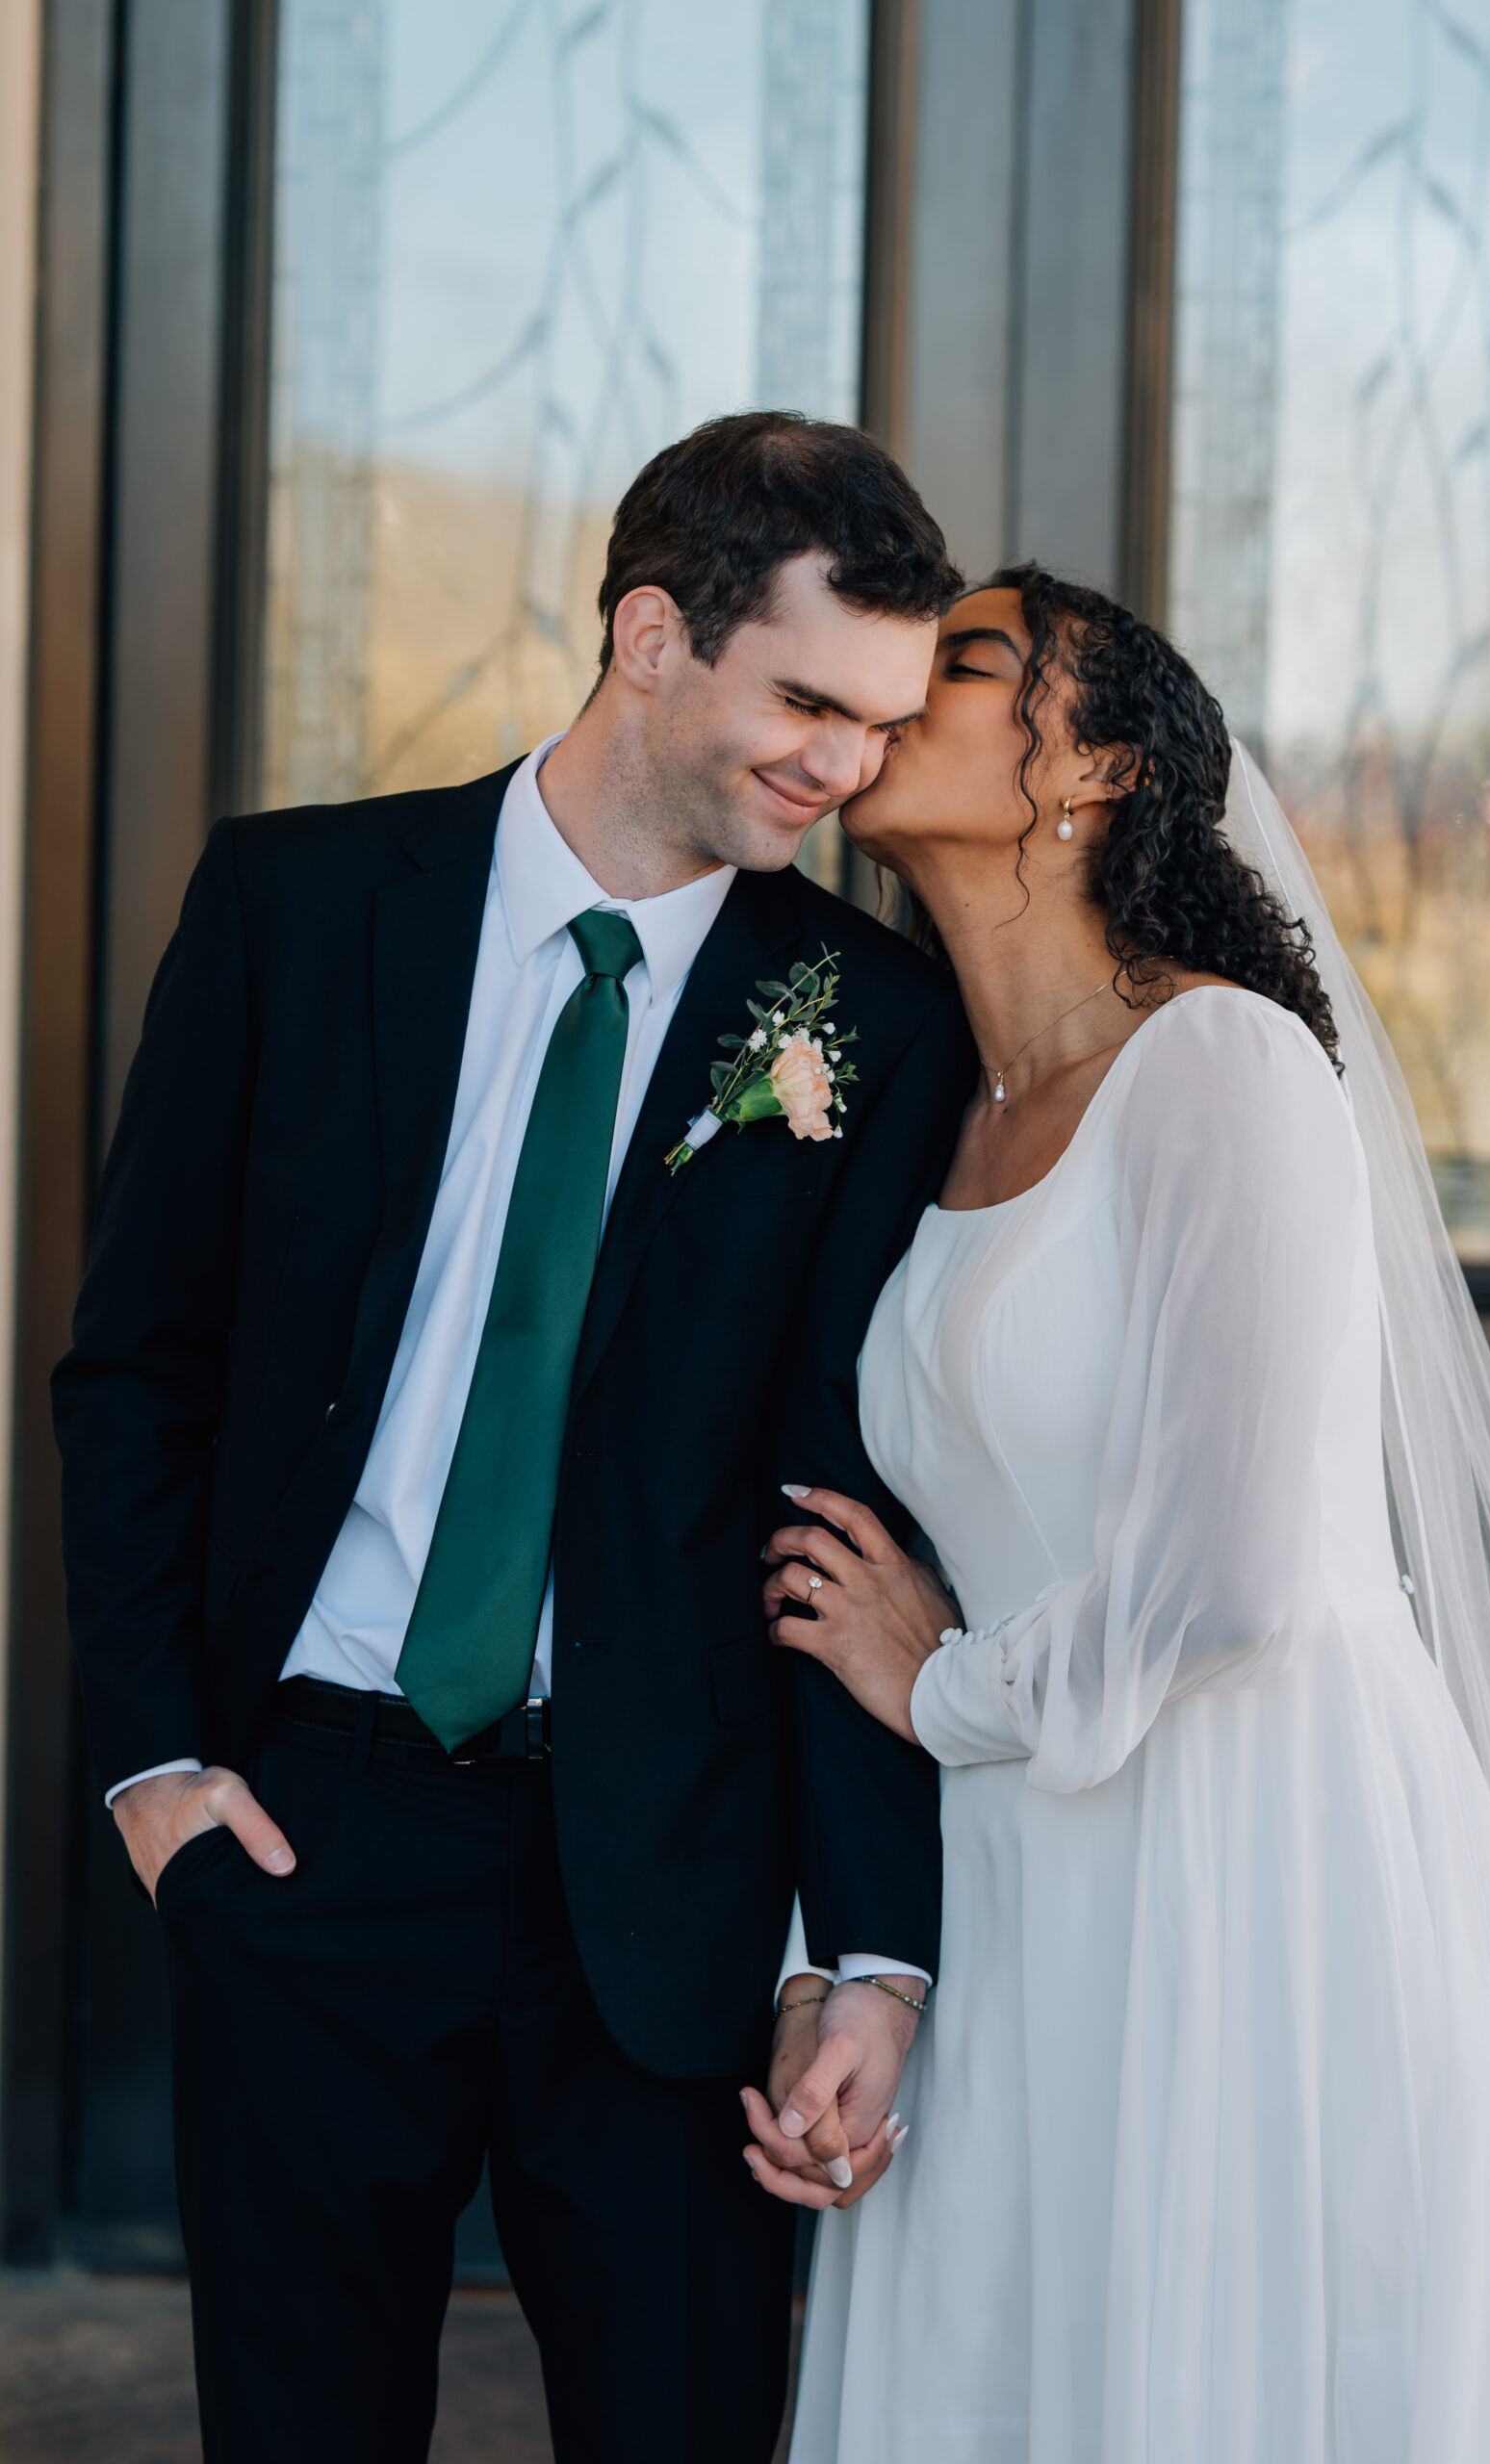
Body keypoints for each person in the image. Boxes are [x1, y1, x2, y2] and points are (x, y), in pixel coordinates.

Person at [51, 410, 978, 2464]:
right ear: (649, 635)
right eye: (808, 703)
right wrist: (156, 1769)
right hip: (304, 1835)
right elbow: (139, 1366)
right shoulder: (294, 904)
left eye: (882, 722)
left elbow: (841, 1504)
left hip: (667, 1886)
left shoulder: (869, 1017)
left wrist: (864, 1952)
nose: (847, 769)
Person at [746, 568, 1490, 2460]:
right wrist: (847, 1943)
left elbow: (1236, 1572)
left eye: (965, 663)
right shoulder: (929, 1106)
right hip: (1012, 1869)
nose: (898, 690)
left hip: (1240, 1849)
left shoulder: (1222, 1068)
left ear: (1099, 767)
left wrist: (939, 1683)